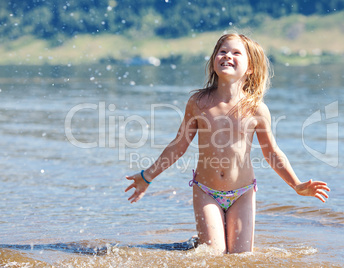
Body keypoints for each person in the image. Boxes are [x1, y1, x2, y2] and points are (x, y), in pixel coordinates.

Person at [125, 33, 330, 254]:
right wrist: (148, 175)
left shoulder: (256, 109)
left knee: (240, 258)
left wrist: (296, 185)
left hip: (242, 193)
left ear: (250, 68)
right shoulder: (199, 102)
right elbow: (179, 145)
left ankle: (201, 239)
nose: (227, 56)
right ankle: (206, 238)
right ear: (214, 62)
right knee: (214, 254)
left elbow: (272, 153)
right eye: (222, 51)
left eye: (236, 53)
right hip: (206, 191)